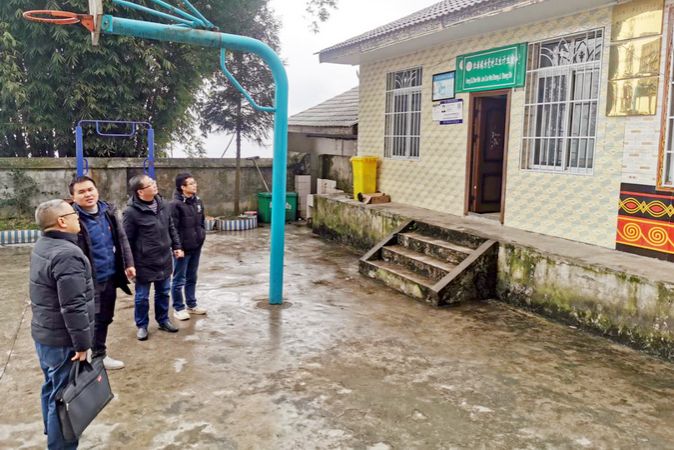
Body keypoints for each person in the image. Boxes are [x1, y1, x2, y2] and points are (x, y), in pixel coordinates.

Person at [30, 199, 95, 450]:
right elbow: (73, 305)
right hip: (63, 340)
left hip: (45, 335)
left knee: (52, 386)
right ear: (61, 222)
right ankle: (60, 445)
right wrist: (82, 345)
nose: (77, 217)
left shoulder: (43, 244)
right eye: (73, 214)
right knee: (64, 400)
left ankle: (52, 431)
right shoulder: (67, 254)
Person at [70, 176, 135, 370]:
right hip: (87, 280)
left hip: (109, 276)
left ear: (96, 190)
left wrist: (128, 263)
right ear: (73, 197)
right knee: (88, 319)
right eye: (81, 192)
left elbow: (121, 238)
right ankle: (84, 357)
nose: (88, 194)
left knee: (105, 317)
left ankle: (99, 354)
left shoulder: (108, 212)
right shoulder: (72, 219)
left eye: (90, 189)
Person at [123, 174, 183, 340]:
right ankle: (142, 325)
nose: (154, 185)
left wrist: (176, 246)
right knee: (142, 297)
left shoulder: (163, 204)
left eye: (153, 182)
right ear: (140, 192)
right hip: (143, 262)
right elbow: (126, 240)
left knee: (163, 292)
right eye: (150, 184)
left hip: (164, 258)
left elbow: (171, 227)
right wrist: (128, 263)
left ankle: (163, 320)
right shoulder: (131, 212)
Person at [171, 172, 207, 320]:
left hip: (196, 246)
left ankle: (191, 305)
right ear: (182, 187)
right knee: (179, 279)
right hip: (182, 249)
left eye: (194, 182)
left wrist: (201, 236)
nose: (194, 185)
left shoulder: (198, 202)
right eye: (191, 184)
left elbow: (201, 222)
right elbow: (172, 228)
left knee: (192, 277)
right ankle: (178, 308)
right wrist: (177, 247)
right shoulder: (175, 205)